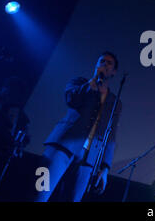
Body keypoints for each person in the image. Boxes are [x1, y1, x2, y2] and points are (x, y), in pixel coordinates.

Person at [35, 52, 121, 202]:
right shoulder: (79, 83)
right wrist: (93, 82)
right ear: (96, 65)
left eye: (109, 63)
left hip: (88, 158)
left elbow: (111, 135)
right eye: (102, 61)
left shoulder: (115, 102)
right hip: (63, 146)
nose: (105, 65)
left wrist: (105, 167)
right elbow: (71, 99)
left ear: (114, 72)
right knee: (40, 193)